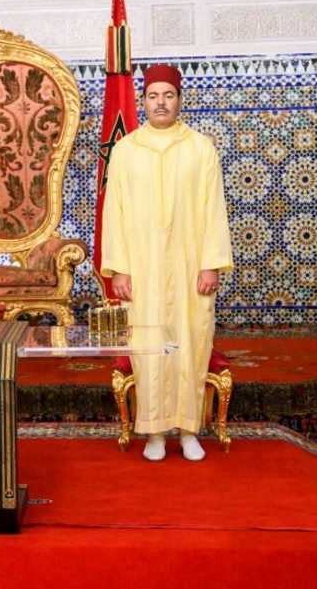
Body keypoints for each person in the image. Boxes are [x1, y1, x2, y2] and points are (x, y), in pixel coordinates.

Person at [100, 64, 233, 462]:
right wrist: (119, 268)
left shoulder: (200, 148)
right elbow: (115, 211)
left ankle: (189, 429)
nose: (161, 102)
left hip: (191, 265)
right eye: (153, 96)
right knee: (149, 345)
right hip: (142, 268)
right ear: (143, 101)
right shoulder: (126, 149)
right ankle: (154, 431)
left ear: (179, 100)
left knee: (191, 343)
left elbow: (214, 209)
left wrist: (211, 263)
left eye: (168, 95)